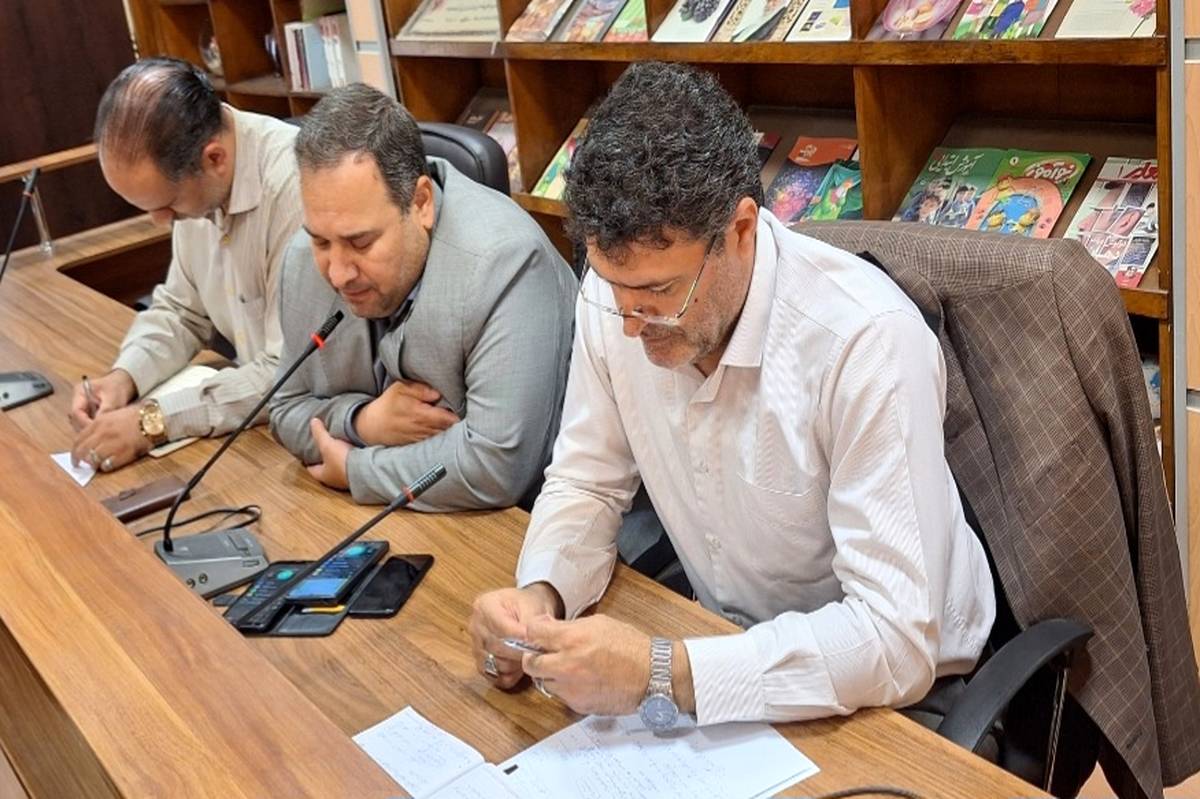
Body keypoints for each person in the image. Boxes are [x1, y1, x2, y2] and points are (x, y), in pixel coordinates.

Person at [468, 62, 996, 730]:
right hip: (720, 643)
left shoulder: (864, 340)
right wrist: (540, 597)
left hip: (898, 692)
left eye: (660, 291)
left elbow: (895, 638)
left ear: (741, 229)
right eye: (611, 286)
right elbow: (587, 482)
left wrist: (665, 671)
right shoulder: (617, 295)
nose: (630, 323)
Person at [268, 84, 576, 511]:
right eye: (321, 241)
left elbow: (495, 465)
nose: (337, 272)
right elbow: (284, 408)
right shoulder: (303, 259)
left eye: (360, 242)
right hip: (375, 517)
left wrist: (357, 469)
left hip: (512, 522)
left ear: (421, 203)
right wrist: (363, 422)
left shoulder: (506, 263)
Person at [69, 57, 300, 472]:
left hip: (314, 433)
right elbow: (180, 311)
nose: (160, 221)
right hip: (256, 430)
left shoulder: (294, 187)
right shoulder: (196, 185)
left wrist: (152, 421)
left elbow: (288, 371)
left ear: (215, 159)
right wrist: (125, 376)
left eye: (168, 204)